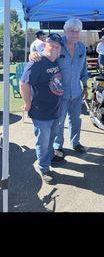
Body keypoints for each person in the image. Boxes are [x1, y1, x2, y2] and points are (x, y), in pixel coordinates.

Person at [29, 18, 89, 159]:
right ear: (65, 30)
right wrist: (33, 54)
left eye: (77, 31)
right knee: (59, 122)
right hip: (59, 93)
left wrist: (85, 86)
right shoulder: (57, 44)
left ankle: (75, 142)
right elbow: (45, 53)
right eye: (71, 30)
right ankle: (58, 146)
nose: (74, 34)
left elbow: (84, 68)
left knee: (75, 119)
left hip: (77, 92)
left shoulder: (81, 47)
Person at [20, 35, 64, 184]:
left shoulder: (56, 60)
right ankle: (44, 168)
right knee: (43, 142)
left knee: (51, 138)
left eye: (57, 47)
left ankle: (50, 156)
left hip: (55, 109)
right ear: (45, 45)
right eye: (51, 45)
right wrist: (27, 103)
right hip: (41, 112)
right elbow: (23, 83)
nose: (54, 49)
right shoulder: (36, 62)